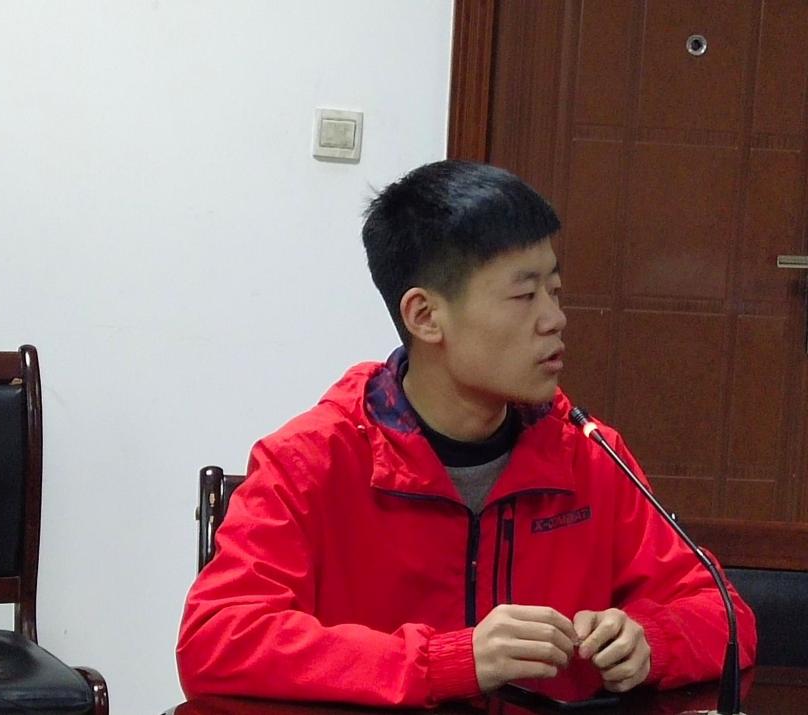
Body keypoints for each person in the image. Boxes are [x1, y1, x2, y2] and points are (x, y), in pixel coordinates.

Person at [176, 160, 757, 707]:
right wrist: (447, 660)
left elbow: (724, 616)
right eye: (524, 296)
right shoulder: (311, 460)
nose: (554, 319)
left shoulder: (586, 452)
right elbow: (217, 639)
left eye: (554, 291)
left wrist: (651, 640)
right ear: (426, 316)